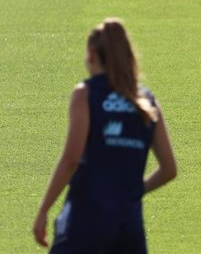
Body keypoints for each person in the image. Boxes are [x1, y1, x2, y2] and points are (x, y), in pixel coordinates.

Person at [33, 18, 177, 253]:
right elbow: (169, 169)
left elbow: (71, 160)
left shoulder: (86, 95)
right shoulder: (146, 103)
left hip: (85, 222)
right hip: (129, 227)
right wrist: (135, 190)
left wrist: (43, 209)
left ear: (91, 55)